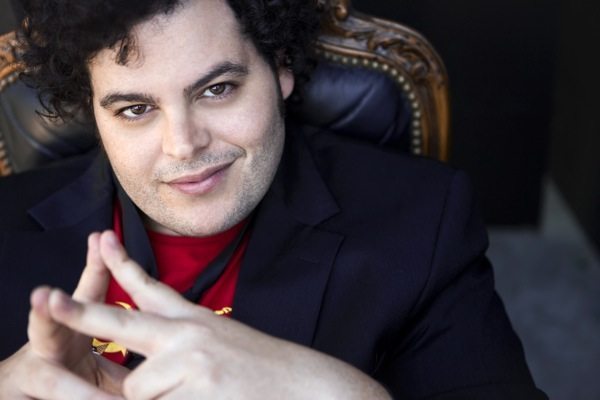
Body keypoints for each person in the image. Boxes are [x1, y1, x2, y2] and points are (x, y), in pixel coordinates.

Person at [0, 0, 547, 399]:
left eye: (217, 89)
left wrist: (321, 388)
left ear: (280, 66)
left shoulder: (425, 219)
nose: (183, 144)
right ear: (93, 109)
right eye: (135, 110)